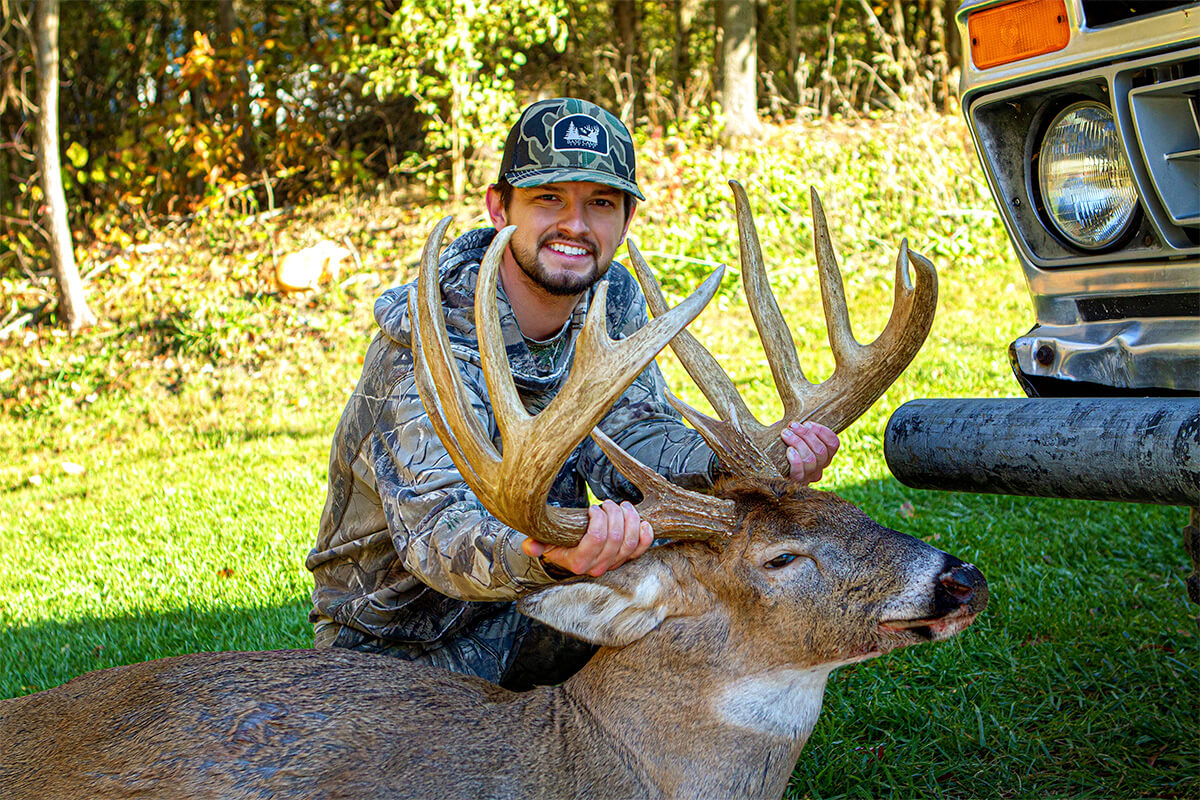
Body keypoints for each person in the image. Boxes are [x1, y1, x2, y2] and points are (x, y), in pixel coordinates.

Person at [305, 98, 839, 689]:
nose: (576, 226)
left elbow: (635, 439)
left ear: (627, 218)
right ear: (497, 206)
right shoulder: (422, 342)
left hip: (549, 597)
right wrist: (551, 556)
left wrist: (740, 463)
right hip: (397, 644)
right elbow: (436, 537)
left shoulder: (611, 301)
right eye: (548, 199)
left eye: (601, 204)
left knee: (705, 599)